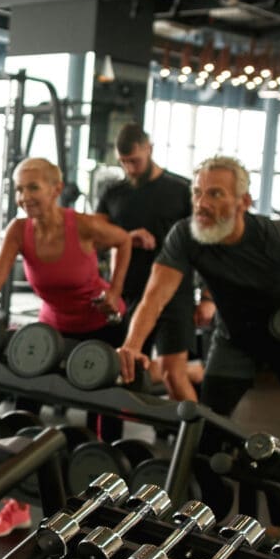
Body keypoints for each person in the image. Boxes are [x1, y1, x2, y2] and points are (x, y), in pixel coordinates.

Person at [118, 155, 280, 547]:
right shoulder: (186, 234)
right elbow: (154, 296)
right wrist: (132, 343)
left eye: (215, 194)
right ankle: (209, 514)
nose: (202, 203)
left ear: (243, 201)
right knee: (207, 432)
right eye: (198, 192)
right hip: (235, 340)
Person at [0, 157, 132, 538]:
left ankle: (106, 511)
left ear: (56, 187)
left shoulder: (81, 225)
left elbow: (124, 240)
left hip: (101, 329)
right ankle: (16, 505)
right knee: (25, 410)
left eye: (32, 187)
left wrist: (115, 291)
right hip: (53, 328)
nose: (24, 196)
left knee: (102, 418)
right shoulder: (19, 231)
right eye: (19, 189)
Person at [96, 124, 197, 401]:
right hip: (130, 292)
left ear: (149, 149)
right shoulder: (113, 193)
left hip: (173, 293)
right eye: (124, 162)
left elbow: (201, 245)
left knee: (172, 374)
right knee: (125, 370)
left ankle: (194, 440)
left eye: (135, 161)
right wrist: (126, 238)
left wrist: (209, 298)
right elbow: (96, 241)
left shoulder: (182, 190)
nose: (130, 168)